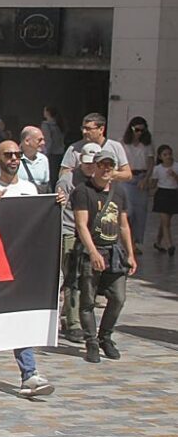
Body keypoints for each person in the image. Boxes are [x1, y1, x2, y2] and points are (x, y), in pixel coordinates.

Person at [0, 144, 54, 397]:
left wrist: (55, 205)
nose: (13, 159)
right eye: (8, 155)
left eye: (17, 155)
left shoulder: (29, 189)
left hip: (21, 265)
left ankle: (29, 374)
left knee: (21, 318)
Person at [72, 144, 136, 363]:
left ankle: (105, 337)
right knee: (88, 300)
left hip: (114, 251)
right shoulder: (83, 191)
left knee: (118, 297)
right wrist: (92, 252)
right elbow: (81, 225)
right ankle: (91, 341)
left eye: (110, 166)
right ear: (95, 167)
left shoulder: (119, 192)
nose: (106, 170)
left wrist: (130, 253)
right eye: (102, 165)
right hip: (93, 250)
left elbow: (124, 224)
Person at [57, 143, 101, 343]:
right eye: (87, 163)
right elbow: (60, 206)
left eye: (94, 164)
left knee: (87, 278)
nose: (90, 167)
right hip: (70, 231)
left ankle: (72, 314)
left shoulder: (101, 183)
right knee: (72, 276)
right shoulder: (67, 180)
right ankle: (73, 323)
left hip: (93, 235)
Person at [58, 113, 131, 183]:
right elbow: (63, 174)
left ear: (101, 129)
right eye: (83, 128)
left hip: (108, 193)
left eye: (88, 129)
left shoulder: (115, 147)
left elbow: (128, 175)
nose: (84, 132)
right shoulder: (74, 149)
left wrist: (108, 173)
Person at [121, 116, 154, 249]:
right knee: (129, 211)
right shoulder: (123, 143)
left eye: (142, 130)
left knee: (140, 212)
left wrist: (146, 179)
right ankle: (127, 242)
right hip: (128, 178)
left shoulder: (148, 144)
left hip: (141, 177)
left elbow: (151, 163)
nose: (139, 133)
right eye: (137, 129)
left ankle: (135, 241)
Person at [0, 126, 51, 193]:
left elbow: (46, 185)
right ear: (27, 141)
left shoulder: (44, 159)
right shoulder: (10, 160)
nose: (43, 143)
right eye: (39, 140)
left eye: (43, 140)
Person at [150, 144, 177, 255]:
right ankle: (169, 245)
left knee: (165, 221)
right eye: (165, 155)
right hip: (162, 193)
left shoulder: (176, 166)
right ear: (160, 157)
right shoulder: (157, 169)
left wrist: (175, 176)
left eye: (169, 154)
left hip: (174, 193)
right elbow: (154, 184)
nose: (168, 157)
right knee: (166, 222)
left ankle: (158, 242)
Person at [42, 106, 66, 186]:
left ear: (48, 113)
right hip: (60, 153)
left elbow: (48, 140)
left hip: (51, 154)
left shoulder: (46, 125)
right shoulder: (60, 124)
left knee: (51, 177)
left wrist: (45, 154)